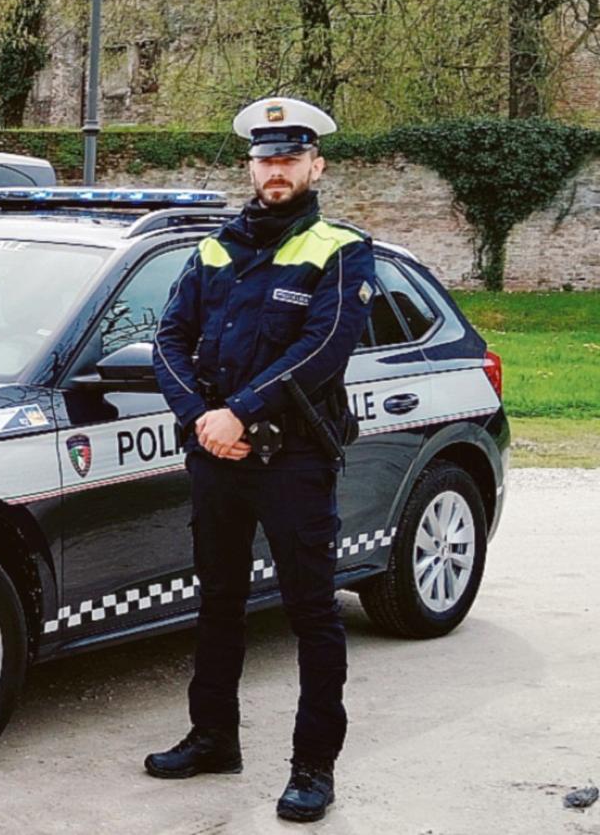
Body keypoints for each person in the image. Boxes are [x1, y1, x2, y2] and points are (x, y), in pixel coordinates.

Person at [147, 97, 376, 822]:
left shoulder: (340, 250)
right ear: (251, 165)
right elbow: (167, 340)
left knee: (312, 611)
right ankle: (213, 737)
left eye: (290, 159)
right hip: (218, 455)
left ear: (316, 164)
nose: (276, 171)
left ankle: (314, 766)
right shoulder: (214, 249)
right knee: (216, 601)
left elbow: (322, 350)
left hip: (295, 461)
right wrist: (202, 420)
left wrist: (238, 410)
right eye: (265, 159)